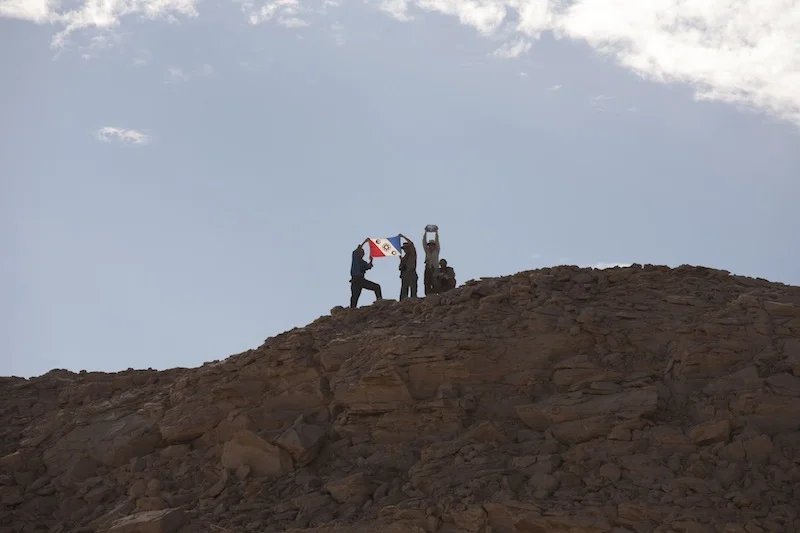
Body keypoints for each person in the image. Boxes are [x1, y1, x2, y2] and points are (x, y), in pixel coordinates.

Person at [350, 240, 382, 308]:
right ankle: (352, 309)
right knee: (355, 296)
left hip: (360, 279)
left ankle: (379, 301)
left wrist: (371, 260)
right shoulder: (355, 259)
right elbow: (357, 250)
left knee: (376, 287)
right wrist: (365, 241)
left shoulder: (363, 262)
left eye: (363, 253)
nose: (363, 254)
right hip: (356, 279)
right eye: (361, 252)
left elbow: (368, 266)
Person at [398, 234, 418, 300]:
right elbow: (400, 267)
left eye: (406, 248)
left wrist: (403, 237)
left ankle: (413, 302)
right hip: (404, 274)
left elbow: (411, 244)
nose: (405, 250)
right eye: (404, 248)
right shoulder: (404, 258)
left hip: (411, 272)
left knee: (413, 290)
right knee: (404, 291)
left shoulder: (412, 254)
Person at [422, 228, 440, 295]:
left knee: (435, 282)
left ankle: (435, 295)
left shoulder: (437, 251)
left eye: (432, 245)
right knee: (427, 282)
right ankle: (427, 295)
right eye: (430, 245)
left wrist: (436, 233)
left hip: (435, 268)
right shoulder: (427, 251)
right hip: (428, 268)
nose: (431, 246)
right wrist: (425, 233)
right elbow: (424, 242)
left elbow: (437, 242)